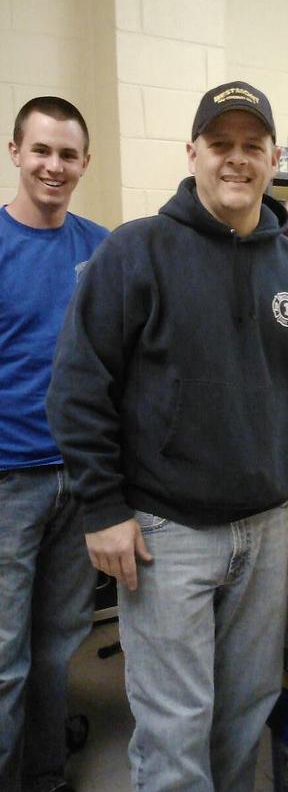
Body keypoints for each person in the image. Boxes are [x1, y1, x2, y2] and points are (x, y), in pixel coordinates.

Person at [46, 81, 288, 792]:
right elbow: (77, 386)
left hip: (265, 527)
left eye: (253, 146)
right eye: (221, 144)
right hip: (165, 532)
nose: (236, 160)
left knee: (245, 713)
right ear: (193, 153)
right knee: (174, 727)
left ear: (274, 157)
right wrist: (103, 508)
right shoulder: (136, 253)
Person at [0, 97, 109, 792]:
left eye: (67, 154)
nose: (53, 166)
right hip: (9, 481)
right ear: (15, 152)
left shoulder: (102, 247)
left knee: (55, 648)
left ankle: (43, 775)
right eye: (41, 150)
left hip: (81, 478)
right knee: (4, 655)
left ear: (84, 164)